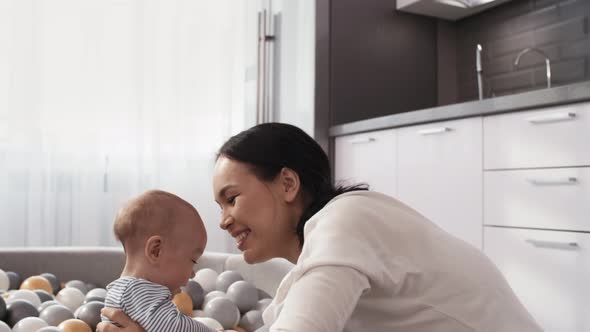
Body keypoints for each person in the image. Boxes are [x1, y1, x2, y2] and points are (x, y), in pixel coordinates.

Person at [99, 123, 542, 332]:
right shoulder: (314, 264)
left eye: (232, 198)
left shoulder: (346, 221)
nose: (224, 220)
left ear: (287, 183)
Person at [102, 189, 214, 332]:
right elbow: (175, 327)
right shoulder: (136, 291)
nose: (192, 273)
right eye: (193, 260)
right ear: (156, 251)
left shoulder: (125, 289)